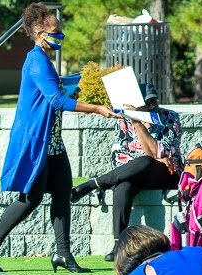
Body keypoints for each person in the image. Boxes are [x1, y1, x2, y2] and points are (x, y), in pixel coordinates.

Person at [0, 2, 117, 275]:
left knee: (63, 196)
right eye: (56, 31)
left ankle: (63, 254)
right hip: (35, 142)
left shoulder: (45, 60)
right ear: (40, 34)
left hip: (52, 142)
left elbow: (59, 90)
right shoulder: (36, 61)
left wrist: (90, 84)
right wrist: (97, 108)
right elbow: (55, 99)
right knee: (30, 199)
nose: (60, 35)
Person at [71, 83, 183, 261]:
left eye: (153, 103)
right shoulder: (123, 120)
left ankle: (93, 184)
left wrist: (137, 123)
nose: (152, 106)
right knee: (124, 184)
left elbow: (157, 154)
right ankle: (119, 245)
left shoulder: (169, 117)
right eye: (146, 104)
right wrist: (132, 122)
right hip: (134, 173)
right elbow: (119, 155)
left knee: (145, 160)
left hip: (166, 174)